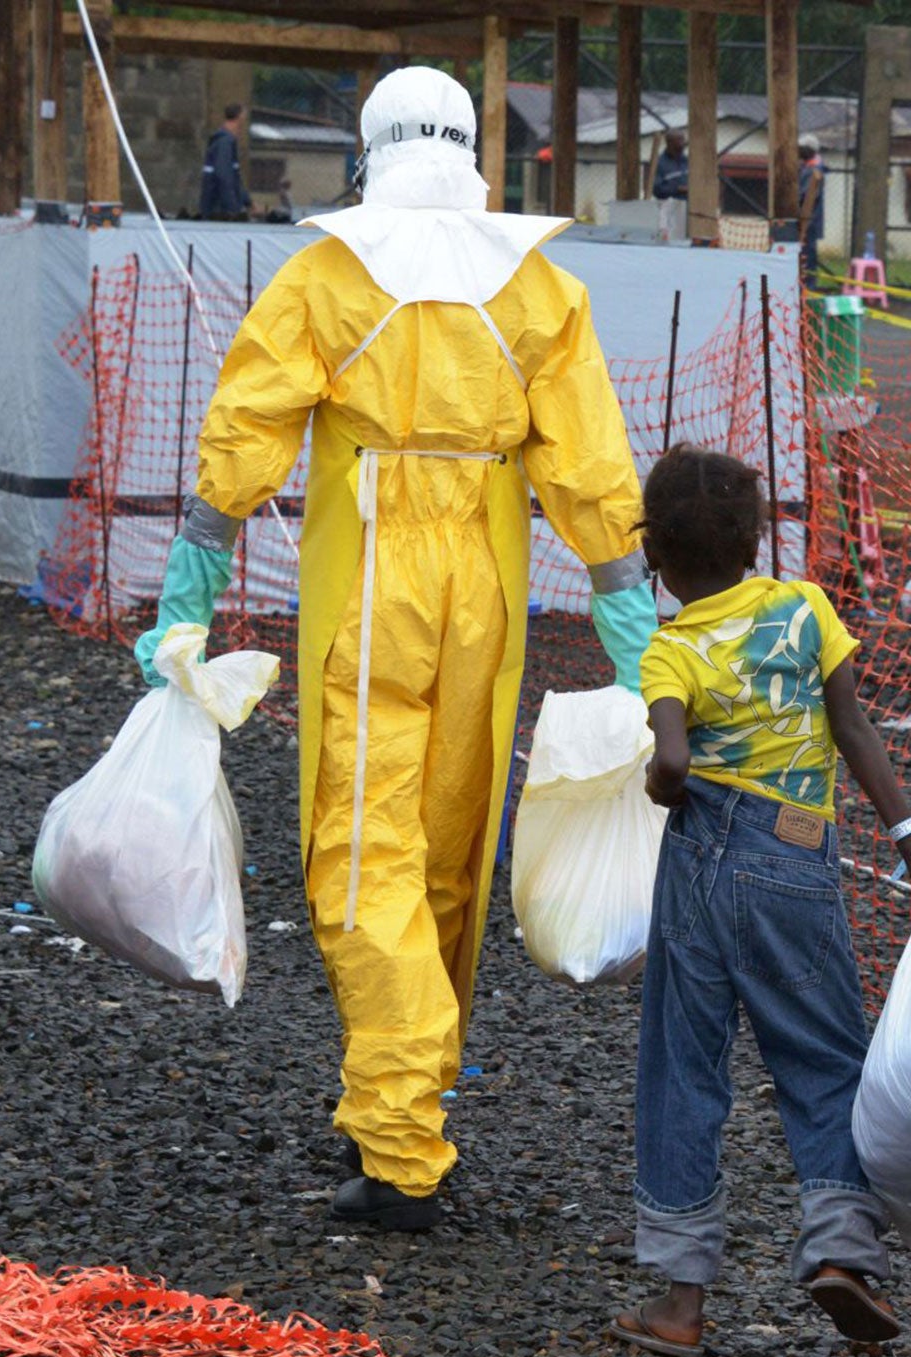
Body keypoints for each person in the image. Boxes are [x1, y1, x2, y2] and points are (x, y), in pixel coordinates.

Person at [134, 66, 659, 1233]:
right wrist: (639, 648)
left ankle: (400, 1142)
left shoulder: (326, 276)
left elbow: (243, 436)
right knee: (445, 847)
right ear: (479, 152)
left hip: (372, 586)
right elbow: (591, 476)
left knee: (358, 851)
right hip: (488, 588)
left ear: (366, 150)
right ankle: (407, 1103)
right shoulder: (540, 292)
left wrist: (189, 597)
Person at [608, 444, 911, 1357]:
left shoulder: (671, 649)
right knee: (826, 1053)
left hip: (701, 862)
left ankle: (681, 1302)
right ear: (756, 539)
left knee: (684, 1067)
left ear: (656, 557)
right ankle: (845, 1252)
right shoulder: (806, 608)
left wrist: (658, 778)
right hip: (799, 859)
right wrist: (909, 837)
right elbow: (853, 728)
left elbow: (675, 760)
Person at [199, 103, 251, 221]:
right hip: (220, 209)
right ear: (239, 117)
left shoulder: (223, 142)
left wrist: (247, 201)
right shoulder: (225, 143)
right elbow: (224, 176)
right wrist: (232, 208)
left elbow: (233, 179)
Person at [797, 134, 826, 288]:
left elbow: (806, 194)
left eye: (801, 149)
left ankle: (809, 286)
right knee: (804, 252)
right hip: (806, 218)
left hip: (810, 219)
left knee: (808, 253)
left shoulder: (815, 170)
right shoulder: (806, 167)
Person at [651, 129, 689, 243]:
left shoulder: (687, 161)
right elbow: (656, 189)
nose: (683, 143)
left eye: (683, 139)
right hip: (669, 212)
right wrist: (678, 189)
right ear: (669, 142)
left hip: (689, 210)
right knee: (672, 241)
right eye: (679, 140)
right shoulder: (660, 163)